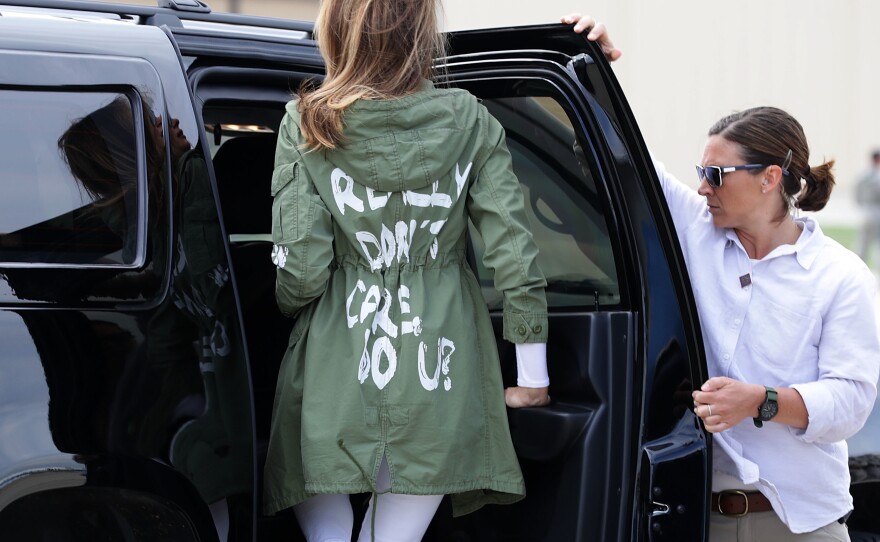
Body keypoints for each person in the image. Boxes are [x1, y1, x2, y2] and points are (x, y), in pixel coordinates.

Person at [564, 13, 879, 542]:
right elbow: (622, 164)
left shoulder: (840, 275)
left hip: (801, 524)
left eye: (716, 174)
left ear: (769, 179)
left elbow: (850, 402)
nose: (703, 187)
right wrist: (595, 71)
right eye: (700, 174)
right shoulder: (695, 226)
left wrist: (759, 400)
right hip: (699, 520)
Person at [262, 1, 551, 540]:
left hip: (337, 354)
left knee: (321, 515)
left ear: (335, 33)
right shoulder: (469, 119)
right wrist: (532, 375)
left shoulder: (306, 122)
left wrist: (286, 308)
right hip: (439, 359)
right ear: (422, 35)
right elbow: (513, 248)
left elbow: (301, 268)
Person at [855, 149, 880, 268]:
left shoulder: (862, 176)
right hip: (876, 211)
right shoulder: (877, 177)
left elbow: (857, 194)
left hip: (865, 211)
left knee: (862, 241)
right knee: (877, 242)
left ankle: (859, 265)